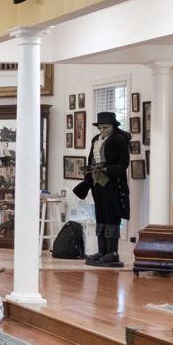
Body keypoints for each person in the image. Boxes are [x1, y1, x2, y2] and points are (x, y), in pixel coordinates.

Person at [72, 110, 132, 267]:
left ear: (113, 126)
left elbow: (123, 164)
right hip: (97, 183)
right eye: (100, 128)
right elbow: (91, 160)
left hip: (113, 184)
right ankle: (102, 251)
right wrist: (89, 176)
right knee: (100, 216)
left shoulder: (120, 140)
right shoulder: (95, 140)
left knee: (112, 216)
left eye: (106, 127)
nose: (102, 130)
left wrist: (106, 168)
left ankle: (112, 253)